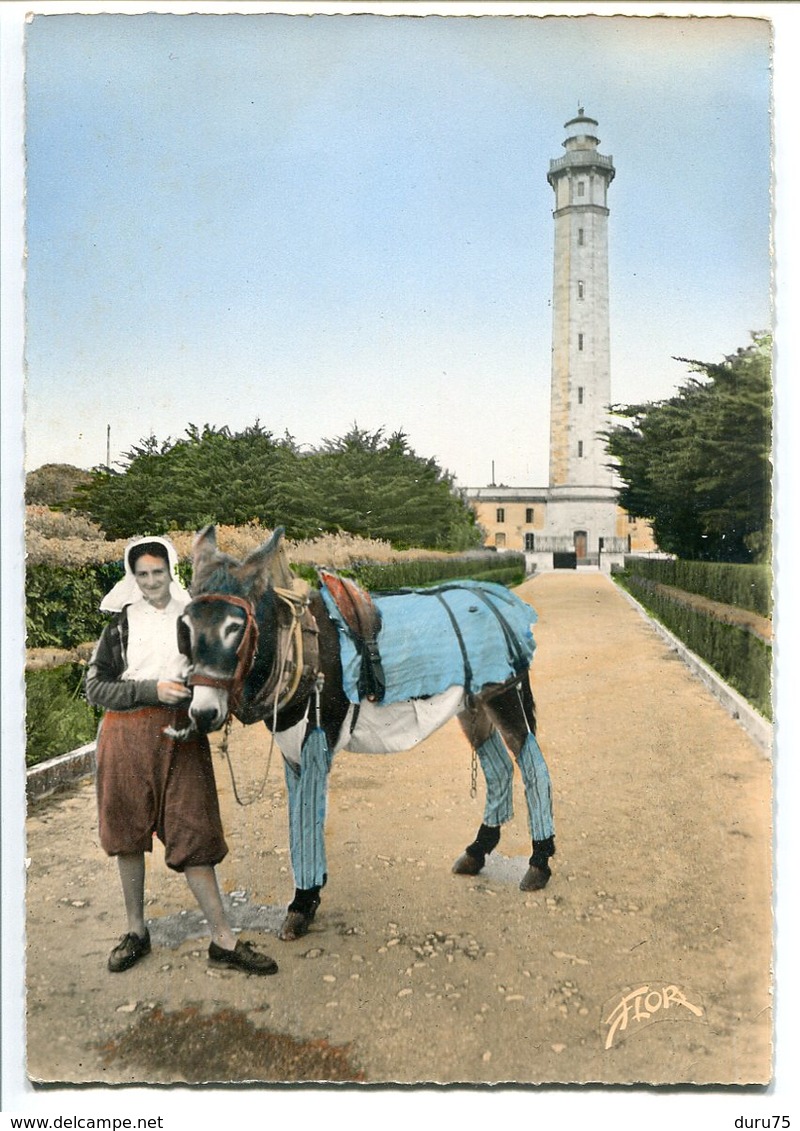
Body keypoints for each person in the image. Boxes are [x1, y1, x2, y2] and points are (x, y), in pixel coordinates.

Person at [85, 535, 278, 976]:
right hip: (126, 735)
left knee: (197, 835)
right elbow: (95, 687)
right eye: (143, 574)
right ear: (133, 578)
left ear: (171, 572)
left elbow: (215, 671)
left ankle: (223, 940)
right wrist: (149, 689)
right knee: (126, 834)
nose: (152, 582)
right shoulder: (120, 625)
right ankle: (136, 931)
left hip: (181, 736)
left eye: (159, 572)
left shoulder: (196, 616)